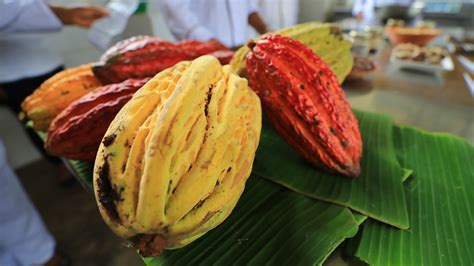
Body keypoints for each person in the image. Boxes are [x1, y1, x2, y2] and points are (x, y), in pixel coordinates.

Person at [0, 1, 108, 265]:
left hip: (38, 62)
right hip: (12, 72)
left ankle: (41, 255)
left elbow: (10, 9)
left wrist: (66, 14)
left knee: (67, 124)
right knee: (46, 129)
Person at [157, 0, 269, 49]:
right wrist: (213, 44)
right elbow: (176, 10)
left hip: (240, 50)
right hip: (203, 53)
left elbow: (246, 6)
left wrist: (268, 32)